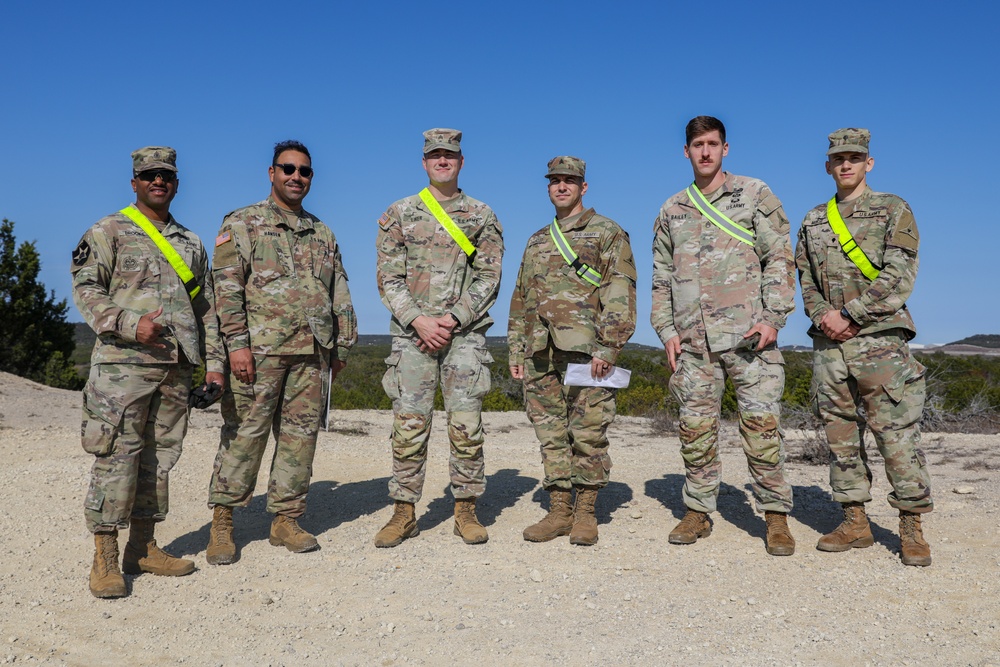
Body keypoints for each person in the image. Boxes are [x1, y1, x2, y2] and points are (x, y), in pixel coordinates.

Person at [71, 146, 225, 598]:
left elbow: (207, 309)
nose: (159, 181)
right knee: (117, 457)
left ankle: (142, 546)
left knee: (159, 461)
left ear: (176, 184)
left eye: (167, 176)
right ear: (135, 182)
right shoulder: (109, 230)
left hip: (175, 369)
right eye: (150, 175)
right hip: (123, 368)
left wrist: (213, 365)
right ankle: (104, 555)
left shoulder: (191, 243)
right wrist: (126, 322)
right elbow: (85, 286)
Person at [650, 116, 797, 556]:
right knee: (695, 431)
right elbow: (661, 277)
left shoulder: (755, 194)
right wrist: (665, 330)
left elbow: (780, 258)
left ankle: (774, 516)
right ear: (686, 151)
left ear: (725, 148)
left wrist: (773, 318)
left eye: (713, 143)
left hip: (750, 340)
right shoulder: (672, 209)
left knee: (761, 429)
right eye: (698, 144)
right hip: (694, 346)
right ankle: (698, 511)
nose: (706, 152)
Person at [206, 140, 356, 564]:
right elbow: (227, 291)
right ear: (271, 173)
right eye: (288, 168)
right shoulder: (243, 223)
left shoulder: (321, 231)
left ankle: (286, 519)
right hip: (260, 352)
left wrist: (341, 343)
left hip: (312, 352)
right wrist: (236, 347)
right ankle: (223, 523)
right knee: (244, 436)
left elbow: (339, 289)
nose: (296, 177)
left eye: (304, 171)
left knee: (299, 440)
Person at [795, 128, 932, 566]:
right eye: (838, 159)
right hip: (829, 345)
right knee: (840, 438)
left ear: (868, 163)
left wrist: (850, 315)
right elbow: (805, 279)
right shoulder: (814, 219)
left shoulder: (893, 209)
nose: (846, 165)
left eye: (854, 158)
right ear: (828, 166)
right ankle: (854, 520)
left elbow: (899, 273)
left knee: (895, 436)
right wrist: (823, 317)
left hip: (879, 341)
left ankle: (911, 525)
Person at [374, 128, 504, 547]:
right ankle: (404, 512)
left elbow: (489, 276)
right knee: (409, 426)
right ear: (425, 162)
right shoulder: (399, 213)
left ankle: (465, 510)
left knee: (466, 426)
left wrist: (453, 317)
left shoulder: (481, 215)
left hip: (463, 336)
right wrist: (418, 320)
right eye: (435, 155)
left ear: (461, 161)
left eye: (450, 155)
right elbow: (388, 277)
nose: (443, 161)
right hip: (413, 337)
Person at [509, 156, 636, 545]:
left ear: (583, 187)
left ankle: (585, 513)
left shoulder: (606, 232)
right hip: (539, 353)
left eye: (570, 181)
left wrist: (609, 347)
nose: (561, 186)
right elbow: (522, 297)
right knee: (550, 434)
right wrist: (516, 348)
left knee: (588, 432)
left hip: (587, 353)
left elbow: (620, 291)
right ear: (548, 187)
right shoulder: (536, 240)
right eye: (555, 181)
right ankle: (559, 510)